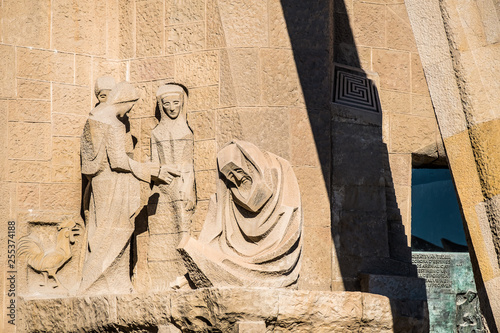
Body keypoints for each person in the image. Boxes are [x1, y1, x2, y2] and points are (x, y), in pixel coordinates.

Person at [174, 140, 303, 289]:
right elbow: (209, 241)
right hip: (233, 257)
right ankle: (194, 278)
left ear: (250, 161)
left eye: (237, 169)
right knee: (192, 247)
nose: (236, 177)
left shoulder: (281, 172)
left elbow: (290, 226)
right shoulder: (225, 198)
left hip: (273, 262)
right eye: (229, 175)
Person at [79, 82, 166, 294]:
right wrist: (148, 170)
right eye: (131, 106)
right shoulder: (115, 124)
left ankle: (95, 282)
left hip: (98, 182)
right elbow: (118, 161)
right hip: (114, 184)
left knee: (100, 232)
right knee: (116, 230)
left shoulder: (93, 119)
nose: (130, 111)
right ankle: (105, 284)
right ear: (125, 101)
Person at [147, 83, 196, 290]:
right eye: (167, 104)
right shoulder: (156, 132)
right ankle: (160, 277)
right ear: (161, 105)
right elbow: (154, 162)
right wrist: (159, 171)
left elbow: (190, 164)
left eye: (176, 103)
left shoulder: (186, 129)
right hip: (162, 185)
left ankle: (186, 276)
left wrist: (189, 186)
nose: (172, 108)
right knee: (160, 231)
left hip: (181, 182)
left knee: (183, 228)